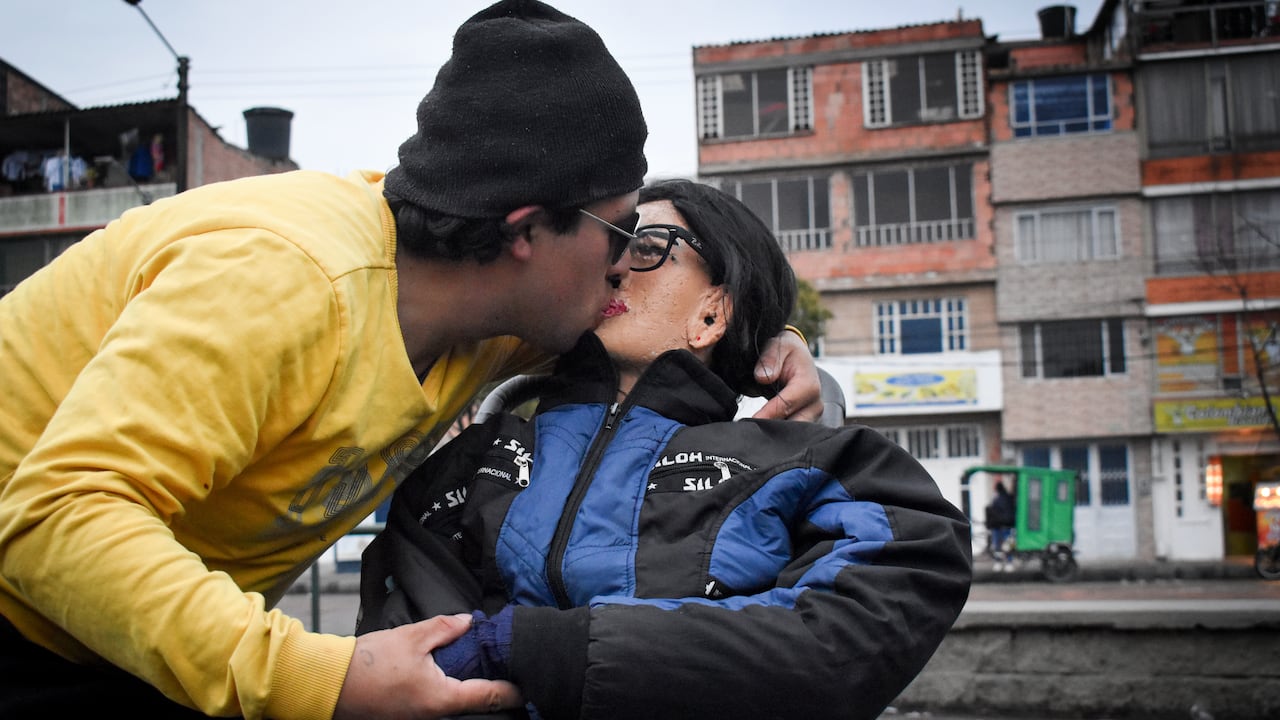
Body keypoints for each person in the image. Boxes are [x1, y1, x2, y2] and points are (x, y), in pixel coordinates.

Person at [0, 3, 824, 719]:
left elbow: (657, 337)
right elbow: (54, 520)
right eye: (619, 233)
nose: (622, 268)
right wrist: (323, 679)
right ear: (526, 231)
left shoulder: (487, 308)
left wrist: (769, 338)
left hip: (140, 633)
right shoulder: (285, 280)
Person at [356, 179, 974, 720]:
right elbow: (417, 660)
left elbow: (840, 645)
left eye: (647, 246)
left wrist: (542, 648)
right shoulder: (474, 461)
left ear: (712, 313)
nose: (614, 265)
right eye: (610, 240)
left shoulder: (817, 464)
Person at [986, 481, 1017, 571]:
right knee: (1008, 545)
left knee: (997, 545)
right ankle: (1009, 563)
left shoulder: (996, 500)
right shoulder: (1010, 498)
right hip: (1008, 525)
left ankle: (998, 562)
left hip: (998, 526)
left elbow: (993, 512)